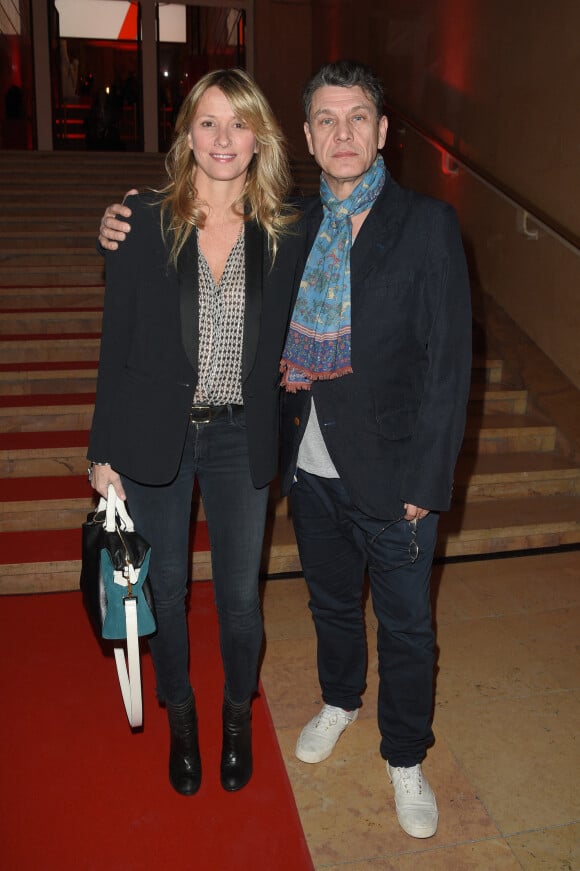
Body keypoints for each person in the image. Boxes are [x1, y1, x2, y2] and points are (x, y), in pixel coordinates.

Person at [98, 60, 472, 839]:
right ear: (302, 135)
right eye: (326, 120)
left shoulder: (356, 225)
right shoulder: (220, 219)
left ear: (381, 130)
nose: (342, 133)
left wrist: (429, 478)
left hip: (328, 455)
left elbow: (449, 363)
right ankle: (246, 713)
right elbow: (124, 333)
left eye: (358, 118)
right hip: (252, 455)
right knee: (236, 598)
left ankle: (374, 749)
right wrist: (114, 224)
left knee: (340, 617)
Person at [89, 67, 299, 797]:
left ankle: (236, 711)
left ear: (258, 139)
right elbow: (116, 343)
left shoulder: (286, 230)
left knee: (242, 597)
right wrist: (102, 452)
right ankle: (182, 716)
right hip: (155, 434)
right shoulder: (145, 219)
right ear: (187, 135)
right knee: (168, 588)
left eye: (238, 123)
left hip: (244, 434)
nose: (222, 138)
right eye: (208, 122)